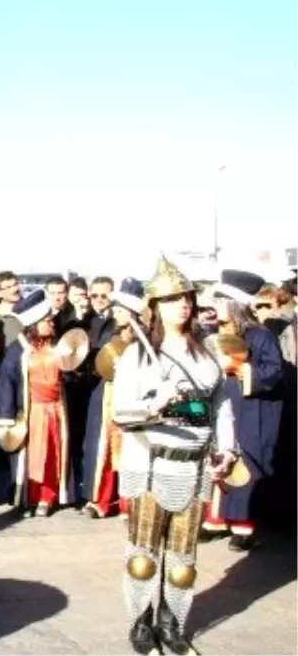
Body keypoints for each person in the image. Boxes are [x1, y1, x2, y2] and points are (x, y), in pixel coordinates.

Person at [112, 255, 238, 655]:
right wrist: (155, 404)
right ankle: (141, 623)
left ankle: (171, 625)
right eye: (172, 299)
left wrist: (228, 449)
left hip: (194, 463)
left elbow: (219, 408)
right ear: (155, 307)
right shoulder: (136, 355)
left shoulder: (208, 354)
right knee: (144, 558)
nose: (183, 304)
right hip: (152, 461)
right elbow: (120, 413)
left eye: (186, 297)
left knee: (183, 561)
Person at [201, 269, 285, 550]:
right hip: (222, 403)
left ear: (234, 304)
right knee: (218, 453)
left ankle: (243, 523)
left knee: (246, 457)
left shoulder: (261, 336)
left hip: (251, 408)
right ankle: (217, 518)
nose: (215, 306)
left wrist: (239, 368)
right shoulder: (213, 334)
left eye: (221, 300)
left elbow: (273, 373)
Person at [0, 288, 73, 517]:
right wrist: (7, 417)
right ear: (34, 324)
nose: (52, 323)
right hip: (30, 411)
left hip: (56, 410)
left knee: (52, 454)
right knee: (30, 457)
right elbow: (6, 382)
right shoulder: (17, 350)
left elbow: (69, 377)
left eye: (51, 319)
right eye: (47, 320)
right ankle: (27, 498)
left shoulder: (59, 346)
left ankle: (47, 498)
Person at [80, 278, 144, 518]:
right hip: (106, 393)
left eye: (119, 309)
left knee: (132, 448)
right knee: (102, 448)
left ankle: (130, 502)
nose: (114, 312)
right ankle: (101, 499)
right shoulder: (107, 328)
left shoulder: (147, 336)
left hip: (135, 396)